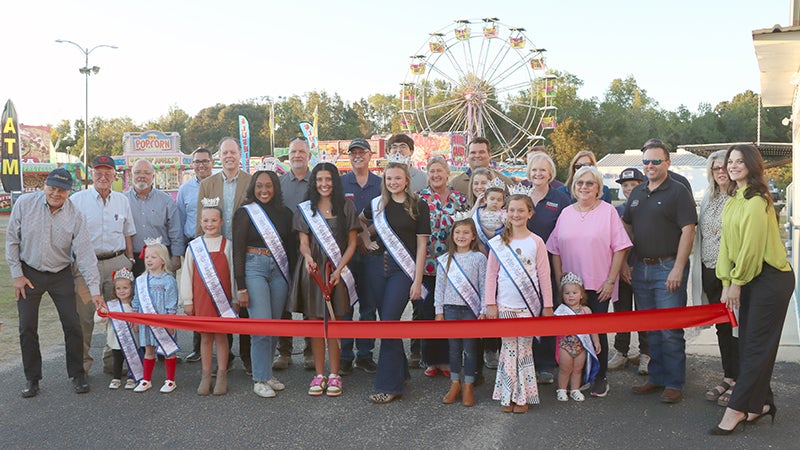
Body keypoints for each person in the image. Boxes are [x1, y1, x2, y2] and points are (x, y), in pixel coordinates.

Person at [711, 144, 794, 435]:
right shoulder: (734, 200)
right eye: (729, 162)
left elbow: (750, 249)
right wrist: (725, 281)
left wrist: (736, 283)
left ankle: (737, 408)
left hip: (770, 279)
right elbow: (727, 246)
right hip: (747, 277)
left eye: (738, 161)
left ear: (751, 165)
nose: (731, 166)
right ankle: (761, 404)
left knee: (755, 347)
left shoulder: (758, 201)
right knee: (749, 345)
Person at [7, 168, 103, 397]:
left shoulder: (76, 216)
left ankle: (77, 374)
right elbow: (12, 240)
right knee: (26, 327)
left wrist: (95, 290)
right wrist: (17, 275)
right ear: (44, 185)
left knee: (73, 324)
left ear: (69, 192)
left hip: (61, 274)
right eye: (52, 188)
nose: (55, 193)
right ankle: (32, 379)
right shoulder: (24, 204)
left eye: (61, 190)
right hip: (28, 272)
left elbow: (86, 255)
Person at [547, 166, 632, 398]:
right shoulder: (565, 213)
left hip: (598, 284)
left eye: (589, 183)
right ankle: (577, 376)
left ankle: (599, 376)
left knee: (596, 331)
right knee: (572, 333)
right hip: (571, 288)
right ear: (573, 187)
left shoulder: (608, 212)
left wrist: (611, 281)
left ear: (598, 188)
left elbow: (620, 248)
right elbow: (554, 249)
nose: (584, 187)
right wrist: (559, 282)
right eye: (579, 183)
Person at [625, 140, 697, 404]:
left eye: (656, 161)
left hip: (668, 267)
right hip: (641, 268)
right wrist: (626, 262)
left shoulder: (678, 192)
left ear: (668, 162)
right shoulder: (637, 192)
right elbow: (627, 227)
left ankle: (674, 382)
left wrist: (678, 267)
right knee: (650, 328)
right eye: (646, 161)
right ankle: (656, 377)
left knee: (670, 329)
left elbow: (689, 230)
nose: (651, 166)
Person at [361, 159, 431, 404]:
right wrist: (366, 240)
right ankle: (400, 373)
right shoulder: (377, 205)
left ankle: (388, 386)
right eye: (389, 179)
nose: (393, 182)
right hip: (377, 269)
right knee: (386, 322)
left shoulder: (419, 207)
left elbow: (422, 246)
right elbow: (361, 222)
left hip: (403, 272)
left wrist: (417, 279)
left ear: (407, 180)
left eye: (397, 178)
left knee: (389, 324)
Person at [290, 162, 360, 397]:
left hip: (336, 270)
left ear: (335, 182)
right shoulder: (305, 209)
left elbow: (352, 244)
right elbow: (303, 243)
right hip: (313, 271)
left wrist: (340, 269)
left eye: (328, 179)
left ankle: (335, 374)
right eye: (319, 180)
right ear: (314, 182)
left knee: (335, 323)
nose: (324, 184)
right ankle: (319, 374)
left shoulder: (346, 207)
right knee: (316, 324)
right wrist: (308, 257)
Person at [485, 193, 553, 414]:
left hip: (528, 306)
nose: (516, 214)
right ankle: (507, 394)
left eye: (521, 210)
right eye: (512, 210)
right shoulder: (498, 242)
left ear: (530, 213)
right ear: (506, 213)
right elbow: (490, 274)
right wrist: (490, 303)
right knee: (507, 350)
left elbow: (544, 274)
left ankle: (522, 397)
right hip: (504, 305)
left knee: (524, 350)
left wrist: (548, 305)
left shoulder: (537, 242)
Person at [233, 168, 296, 398]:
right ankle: (259, 379)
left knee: (275, 325)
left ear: (275, 188)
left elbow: (291, 249)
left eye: (268, 186)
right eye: (259, 186)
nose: (264, 190)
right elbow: (238, 250)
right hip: (253, 267)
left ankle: (266, 373)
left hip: (279, 270)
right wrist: (241, 286)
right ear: (253, 188)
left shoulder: (285, 213)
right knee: (261, 325)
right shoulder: (245, 213)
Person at [70, 155, 136, 374]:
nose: (103, 177)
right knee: (85, 318)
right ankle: (82, 369)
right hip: (87, 265)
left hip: (117, 263)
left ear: (114, 175)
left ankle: (112, 364)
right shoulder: (78, 200)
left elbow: (128, 233)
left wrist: (129, 260)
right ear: (91, 174)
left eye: (108, 173)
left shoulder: (122, 201)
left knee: (117, 315)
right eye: (98, 172)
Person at [197, 137, 253, 375]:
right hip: (216, 253)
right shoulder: (207, 185)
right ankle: (225, 356)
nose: (229, 156)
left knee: (246, 304)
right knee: (220, 302)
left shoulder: (252, 183)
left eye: (233, 152)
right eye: (224, 152)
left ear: (240, 155)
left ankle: (248, 357)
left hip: (244, 252)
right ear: (219, 157)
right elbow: (201, 222)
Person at [695, 151, 739, 407]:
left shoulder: (739, 197)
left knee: (737, 328)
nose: (721, 172)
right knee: (722, 327)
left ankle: (742, 380)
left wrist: (733, 280)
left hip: (732, 275)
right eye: (715, 168)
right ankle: (729, 376)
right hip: (710, 271)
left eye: (724, 167)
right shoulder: (709, 198)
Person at [418, 156, 467, 376]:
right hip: (427, 266)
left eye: (440, 171)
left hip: (453, 266)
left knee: (450, 313)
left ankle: (448, 360)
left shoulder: (459, 199)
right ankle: (430, 359)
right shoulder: (419, 198)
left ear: (448, 174)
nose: (436, 175)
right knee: (427, 312)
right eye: (432, 171)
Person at [181, 202, 237, 396]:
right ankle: (206, 375)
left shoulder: (227, 245)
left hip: (222, 301)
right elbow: (186, 274)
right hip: (201, 300)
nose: (209, 224)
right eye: (206, 220)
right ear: (200, 222)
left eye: (214, 220)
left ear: (221, 222)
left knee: (221, 337)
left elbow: (233, 274)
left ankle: (222, 374)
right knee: (205, 337)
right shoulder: (194, 247)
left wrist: (235, 299)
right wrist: (188, 301)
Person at [526, 152, 571, 385]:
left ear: (551, 173)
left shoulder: (560, 199)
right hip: (522, 266)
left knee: (546, 310)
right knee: (525, 313)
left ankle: (545, 364)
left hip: (549, 265)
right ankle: (526, 362)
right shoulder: (520, 195)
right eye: (534, 170)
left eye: (542, 170)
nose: (538, 174)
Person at [339, 138, 381, 375]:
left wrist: (368, 236)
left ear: (370, 155)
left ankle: (364, 354)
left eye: (361, 152)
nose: (357, 156)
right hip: (347, 252)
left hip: (373, 251)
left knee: (368, 306)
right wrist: (356, 237)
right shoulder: (341, 182)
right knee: (345, 306)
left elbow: (384, 214)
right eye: (353, 153)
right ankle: (345, 355)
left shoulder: (380, 183)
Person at [434, 216, 486, 407]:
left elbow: (484, 285)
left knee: (470, 350)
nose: (461, 236)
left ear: (473, 236)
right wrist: (439, 311)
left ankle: (468, 385)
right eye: (457, 232)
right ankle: (454, 383)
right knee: (454, 349)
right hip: (449, 309)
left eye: (466, 232)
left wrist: (484, 308)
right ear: (452, 235)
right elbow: (439, 288)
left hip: (470, 310)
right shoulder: (445, 259)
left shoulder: (479, 258)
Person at [608, 167, 650, 374]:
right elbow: (614, 243)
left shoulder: (649, 207)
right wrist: (622, 265)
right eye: (625, 185)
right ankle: (621, 351)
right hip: (621, 267)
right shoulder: (615, 211)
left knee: (643, 312)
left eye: (634, 184)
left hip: (643, 267)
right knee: (621, 311)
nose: (629, 188)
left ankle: (645, 353)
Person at [276, 136, 314, 370]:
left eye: (301, 152)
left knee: (310, 300)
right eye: (293, 152)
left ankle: (311, 351)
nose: (297, 155)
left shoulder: (318, 182)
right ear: (288, 156)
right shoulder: (279, 183)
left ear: (309, 156)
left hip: (311, 249)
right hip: (284, 248)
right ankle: (285, 351)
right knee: (282, 300)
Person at [176, 147, 214, 363]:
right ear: (192, 164)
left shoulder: (219, 184)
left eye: (205, 161)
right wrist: (180, 253)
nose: (201, 165)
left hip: (215, 245)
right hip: (194, 245)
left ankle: (224, 346)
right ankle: (198, 347)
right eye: (197, 161)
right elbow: (180, 221)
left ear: (212, 162)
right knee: (197, 298)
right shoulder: (185, 190)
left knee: (219, 295)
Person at [131, 240, 180, 393]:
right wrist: (135, 318)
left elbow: (172, 303)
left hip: (163, 321)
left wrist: (171, 322)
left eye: (153, 257)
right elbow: (137, 301)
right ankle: (146, 380)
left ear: (163, 260)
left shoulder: (169, 280)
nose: (149, 260)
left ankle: (170, 380)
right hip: (146, 322)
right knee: (148, 349)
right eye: (147, 257)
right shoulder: (140, 280)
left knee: (168, 350)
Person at [126, 159, 183, 276]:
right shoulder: (123, 200)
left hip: (161, 258)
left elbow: (175, 230)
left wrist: (176, 256)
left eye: (147, 173)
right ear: (132, 175)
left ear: (153, 176)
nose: (142, 176)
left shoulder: (166, 200)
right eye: (137, 172)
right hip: (133, 259)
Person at [554, 272, 600, 402]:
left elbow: (592, 328)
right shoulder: (561, 311)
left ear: (581, 295)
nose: (571, 296)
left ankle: (575, 389)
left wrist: (596, 341)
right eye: (567, 293)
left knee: (578, 369)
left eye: (574, 293)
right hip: (565, 345)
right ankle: (562, 389)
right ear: (562, 296)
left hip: (581, 346)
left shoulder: (586, 311)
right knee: (565, 369)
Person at [93, 268, 139, 390]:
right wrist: (101, 313)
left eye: (125, 288)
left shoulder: (135, 305)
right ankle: (116, 377)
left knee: (133, 359)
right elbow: (98, 321)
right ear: (114, 289)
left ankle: (132, 376)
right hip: (116, 340)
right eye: (118, 288)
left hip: (133, 339)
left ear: (132, 288)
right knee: (117, 359)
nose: (122, 291)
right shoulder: (111, 305)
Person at [449, 137, 513, 205]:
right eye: (473, 152)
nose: (477, 155)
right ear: (467, 156)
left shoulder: (505, 182)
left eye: (481, 152)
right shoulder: (455, 185)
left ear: (489, 155)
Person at [469, 182, 506, 250]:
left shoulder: (503, 214)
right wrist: (477, 203)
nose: (495, 202)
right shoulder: (479, 211)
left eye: (499, 200)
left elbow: (508, 228)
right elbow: (469, 219)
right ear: (485, 200)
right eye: (492, 199)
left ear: (503, 202)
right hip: (479, 242)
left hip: (497, 242)